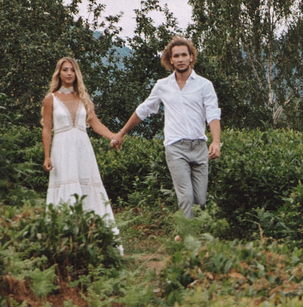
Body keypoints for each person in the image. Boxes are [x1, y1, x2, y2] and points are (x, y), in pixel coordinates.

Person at [112, 35, 221, 216]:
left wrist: (216, 141)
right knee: (186, 197)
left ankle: (186, 235)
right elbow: (144, 110)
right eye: (176, 56)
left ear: (191, 57)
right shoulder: (163, 85)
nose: (180, 59)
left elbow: (213, 114)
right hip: (176, 148)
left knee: (200, 201)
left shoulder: (205, 85)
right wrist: (121, 133)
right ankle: (187, 240)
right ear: (170, 60)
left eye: (183, 55)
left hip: (200, 147)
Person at [41, 56, 120, 228]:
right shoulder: (51, 99)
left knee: (87, 186)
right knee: (65, 186)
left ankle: (94, 233)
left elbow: (95, 123)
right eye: (65, 70)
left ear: (77, 73)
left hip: (82, 148)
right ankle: (64, 234)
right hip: (61, 149)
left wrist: (113, 136)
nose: (69, 73)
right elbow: (47, 129)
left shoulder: (83, 97)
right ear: (59, 73)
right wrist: (47, 156)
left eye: (72, 70)